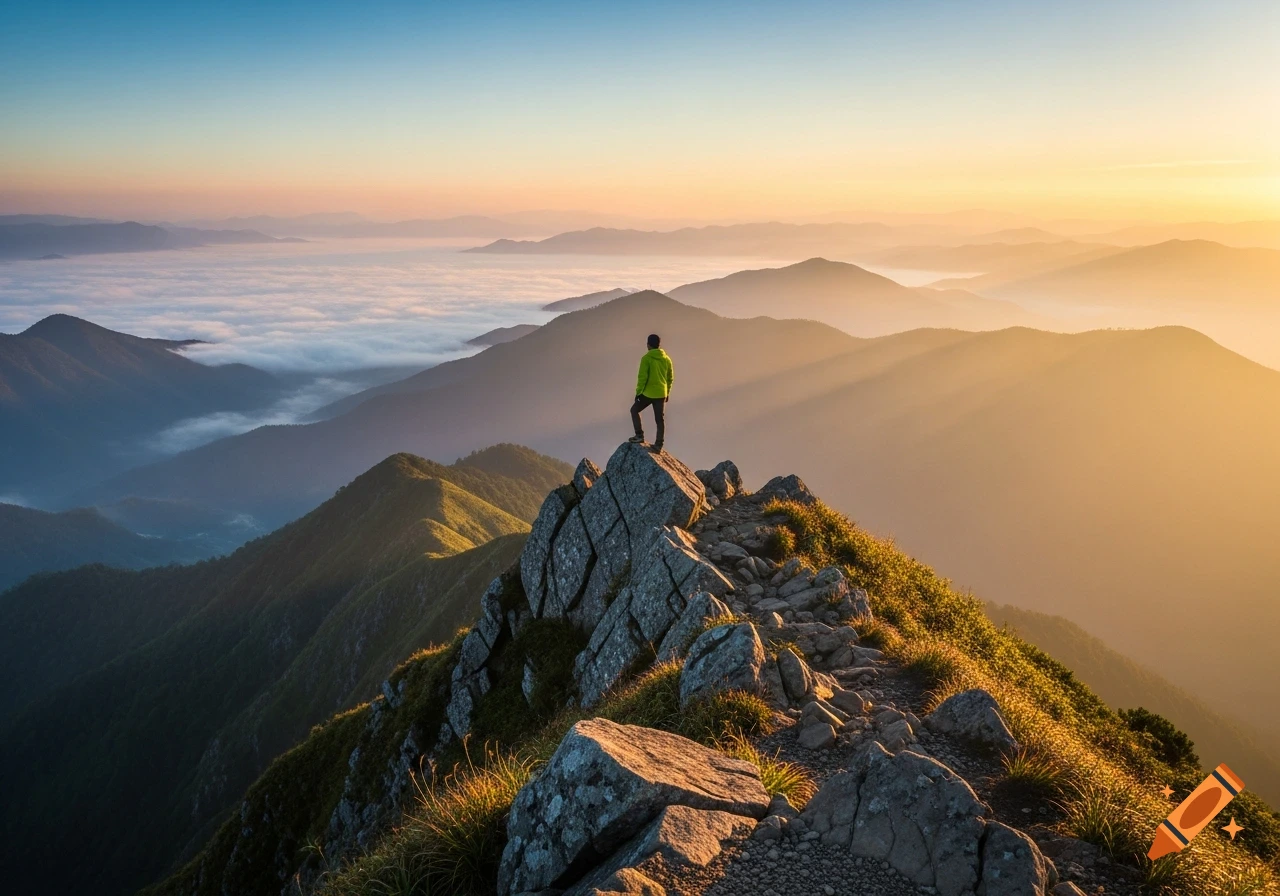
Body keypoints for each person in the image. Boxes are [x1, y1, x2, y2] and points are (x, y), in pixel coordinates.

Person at [628, 333, 673, 452]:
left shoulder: (646, 358)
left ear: (648, 345)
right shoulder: (667, 359)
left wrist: (638, 393)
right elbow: (670, 378)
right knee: (660, 419)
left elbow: (642, 378)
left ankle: (639, 435)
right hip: (661, 394)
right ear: (659, 345)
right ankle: (659, 445)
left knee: (634, 410)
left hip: (648, 393)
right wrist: (667, 392)